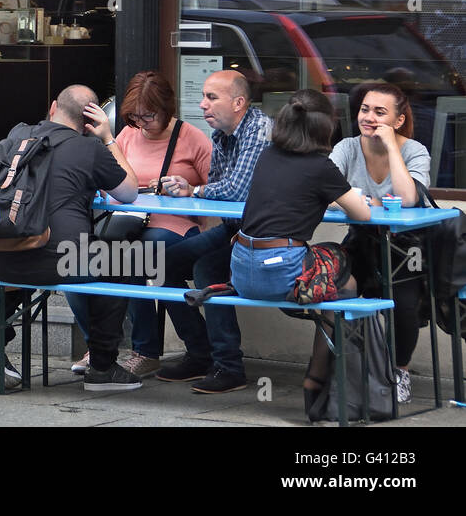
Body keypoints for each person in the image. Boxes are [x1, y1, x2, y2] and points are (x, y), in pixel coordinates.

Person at [0, 85, 142, 393]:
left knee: (15, 253)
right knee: (126, 258)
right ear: (90, 121)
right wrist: (107, 138)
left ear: (52, 107)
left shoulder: (18, 137)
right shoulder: (89, 149)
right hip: (60, 260)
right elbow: (129, 192)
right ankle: (103, 368)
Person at [231, 88, 371, 409]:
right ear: (326, 128)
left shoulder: (267, 155)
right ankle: (319, 377)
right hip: (280, 274)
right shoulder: (321, 167)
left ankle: (319, 376)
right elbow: (362, 214)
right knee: (344, 279)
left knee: (327, 271)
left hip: (241, 270)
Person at [155, 69, 271, 394]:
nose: (202, 104)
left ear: (238, 102)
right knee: (164, 264)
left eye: (211, 97)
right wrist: (190, 188)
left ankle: (229, 367)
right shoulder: (221, 133)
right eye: (203, 96)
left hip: (262, 236)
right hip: (234, 230)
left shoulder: (258, 129)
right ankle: (200, 353)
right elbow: (217, 186)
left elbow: (237, 190)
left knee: (208, 268)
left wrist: (193, 191)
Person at [329, 80, 431, 403]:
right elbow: (326, 189)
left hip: (405, 244)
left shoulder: (414, 151)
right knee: (338, 285)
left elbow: (408, 199)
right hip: (361, 239)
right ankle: (348, 369)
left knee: (403, 302)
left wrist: (390, 147)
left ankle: (399, 370)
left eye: (379, 112)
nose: (369, 117)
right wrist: (370, 204)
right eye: (364, 109)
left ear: (398, 120)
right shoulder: (346, 147)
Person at [109, 71, 212, 379]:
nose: (142, 124)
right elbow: (113, 178)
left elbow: (220, 188)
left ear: (167, 108)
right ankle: (120, 347)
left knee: (141, 256)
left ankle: (146, 351)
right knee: (113, 256)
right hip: (134, 221)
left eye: (148, 116)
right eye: (135, 117)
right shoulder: (128, 135)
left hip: (179, 224)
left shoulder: (192, 138)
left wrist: (187, 189)